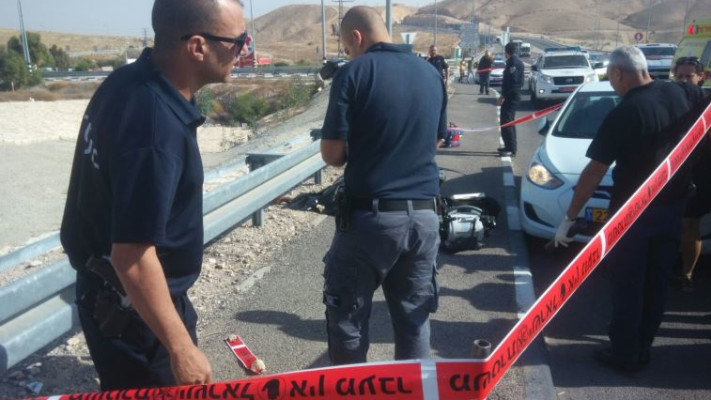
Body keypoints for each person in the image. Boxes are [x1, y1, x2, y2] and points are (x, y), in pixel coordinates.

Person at [60, 0, 248, 390]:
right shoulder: (155, 129)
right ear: (197, 47)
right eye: (238, 41)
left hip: (113, 295)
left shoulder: (127, 82)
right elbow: (131, 256)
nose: (243, 50)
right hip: (137, 313)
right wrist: (180, 347)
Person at [554, 46, 697, 373]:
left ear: (618, 73)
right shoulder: (681, 93)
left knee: (629, 285)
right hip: (673, 208)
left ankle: (624, 354)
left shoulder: (625, 112)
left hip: (633, 215)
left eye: (610, 78)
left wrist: (569, 217)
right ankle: (643, 347)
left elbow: (594, 171)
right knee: (657, 283)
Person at [320, 6, 446, 365]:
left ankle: (351, 389)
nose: (349, 54)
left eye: (347, 48)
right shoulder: (430, 73)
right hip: (424, 218)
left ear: (357, 37)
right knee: (414, 322)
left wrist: (367, 149)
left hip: (370, 221)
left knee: (348, 320)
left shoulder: (354, 73)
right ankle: (415, 388)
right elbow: (437, 140)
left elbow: (332, 154)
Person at [672, 56, 711, 292]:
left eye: (689, 76)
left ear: (701, 77)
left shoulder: (707, 105)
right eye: (680, 77)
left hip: (702, 175)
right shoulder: (669, 103)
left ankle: (687, 273)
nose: (684, 81)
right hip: (674, 177)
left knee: (690, 226)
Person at [497, 42, 524, 157]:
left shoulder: (513, 62)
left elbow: (512, 82)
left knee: (507, 122)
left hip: (511, 96)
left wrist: (503, 96)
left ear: (507, 51)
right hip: (512, 95)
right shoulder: (515, 61)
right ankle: (508, 146)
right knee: (507, 122)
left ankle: (511, 149)